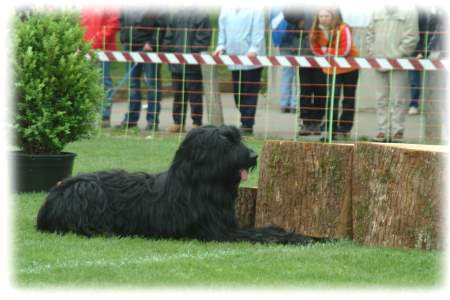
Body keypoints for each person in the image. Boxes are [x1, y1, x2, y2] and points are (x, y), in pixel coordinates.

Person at [366, 6, 419, 143]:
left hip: (399, 61)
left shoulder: (409, 10)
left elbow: (412, 36)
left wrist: (398, 55)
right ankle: (382, 130)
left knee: (398, 98)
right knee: (380, 98)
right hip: (378, 60)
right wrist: (373, 52)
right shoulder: (376, 10)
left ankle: (397, 131)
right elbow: (369, 33)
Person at [213, 7, 265, 135]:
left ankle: (247, 123)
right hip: (233, 58)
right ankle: (245, 119)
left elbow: (258, 31)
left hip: (251, 58)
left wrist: (254, 48)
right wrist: (221, 47)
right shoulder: (225, 9)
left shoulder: (256, 9)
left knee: (249, 92)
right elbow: (222, 31)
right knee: (238, 94)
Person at [309, 8, 359, 140]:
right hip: (331, 68)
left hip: (350, 67)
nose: (324, 18)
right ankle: (331, 128)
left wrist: (327, 50)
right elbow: (315, 49)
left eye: (326, 16)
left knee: (348, 97)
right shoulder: (316, 30)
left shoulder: (343, 28)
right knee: (332, 98)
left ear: (333, 17)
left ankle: (345, 126)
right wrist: (328, 52)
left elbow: (344, 50)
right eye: (321, 16)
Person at [117, 9, 167, 131]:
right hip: (129, 46)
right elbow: (122, 21)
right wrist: (124, 39)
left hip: (148, 49)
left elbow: (162, 24)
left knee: (152, 85)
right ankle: (131, 120)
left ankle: (152, 121)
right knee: (133, 85)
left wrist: (152, 42)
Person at [163, 8, 211, 133]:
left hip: (193, 64)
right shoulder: (175, 14)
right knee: (178, 95)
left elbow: (203, 39)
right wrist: (173, 54)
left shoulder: (202, 15)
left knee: (194, 95)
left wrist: (191, 55)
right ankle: (178, 123)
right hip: (176, 63)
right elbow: (168, 37)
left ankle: (197, 123)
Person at [283, 7, 326, 136]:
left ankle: (317, 122)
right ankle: (306, 122)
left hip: (323, 51)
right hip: (303, 48)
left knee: (320, 89)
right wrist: (299, 21)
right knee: (305, 89)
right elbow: (287, 11)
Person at [80, 7, 120, 128]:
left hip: (102, 50)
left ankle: (104, 116)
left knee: (103, 82)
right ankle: (86, 116)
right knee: (84, 83)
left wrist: (94, 44)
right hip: (83, 49)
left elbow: (113, 24)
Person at [407, 6, 438, 115]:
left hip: (418, 51)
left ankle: (414, 105)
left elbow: (428, 34)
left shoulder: (428, 14)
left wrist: (422, 52)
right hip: (405, 49)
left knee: (414, 80)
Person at [270, 7, 298, 113]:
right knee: (297, 75)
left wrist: (276, 40)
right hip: (297, 40)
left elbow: (273, 23)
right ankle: (294, 104)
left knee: (286, 73)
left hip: (283, 41)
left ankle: (284, 103)